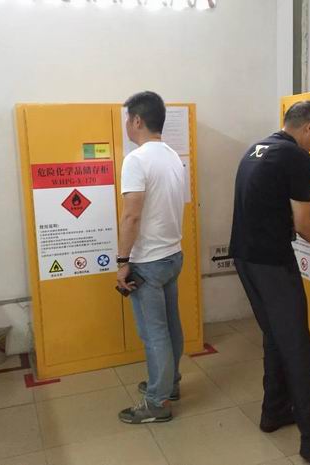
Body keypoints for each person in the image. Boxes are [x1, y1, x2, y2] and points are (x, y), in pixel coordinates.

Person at [229, 100, 310, 465]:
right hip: (272, 263)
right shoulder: (298, 157)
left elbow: (270, 208)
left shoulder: (257, 149)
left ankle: (274, 411)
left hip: (246, 257)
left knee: (276, 336)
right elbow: (303, 225)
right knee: (299, 347)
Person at [116, 91, 186, 424]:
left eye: (127, 119)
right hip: (172, 255)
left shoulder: (137, 160)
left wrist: (122, 262)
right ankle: (169, 383)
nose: (126, 125)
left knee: (154, 332)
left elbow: (131, 216)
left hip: (148, 262)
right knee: (171, 326)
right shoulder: (172, 156)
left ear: (137, 120)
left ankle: (157, 401)